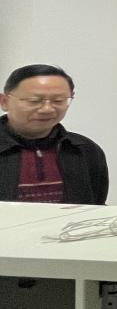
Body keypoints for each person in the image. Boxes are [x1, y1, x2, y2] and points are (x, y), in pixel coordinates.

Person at [0, 64, 107, 204]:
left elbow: (96, 206)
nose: (47, 109)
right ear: (5, 102)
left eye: (58, 101)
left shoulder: (84, 149)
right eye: (34, 101)